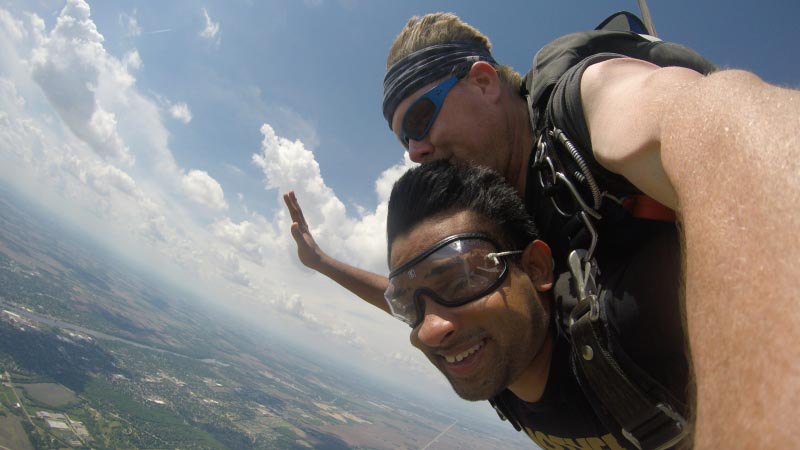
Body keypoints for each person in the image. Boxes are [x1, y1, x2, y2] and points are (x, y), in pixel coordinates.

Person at [283, 12, 800, 450]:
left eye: (420, 116)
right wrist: (324, 264)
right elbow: (428, 302)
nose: (414, 150)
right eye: (403, 139)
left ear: (484, 82)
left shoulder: (585, 107)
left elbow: (729, 131)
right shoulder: (491, 220)